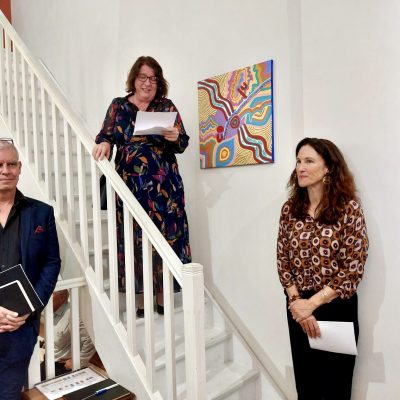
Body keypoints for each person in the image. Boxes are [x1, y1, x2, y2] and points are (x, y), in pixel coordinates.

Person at [92, 56, 191, 317]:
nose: (148, 83)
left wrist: (175, 136)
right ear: (134, 79)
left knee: (165, 239)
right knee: (133, 240)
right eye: (143, 77)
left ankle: (162, 296)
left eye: (154, 79)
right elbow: (106, 135)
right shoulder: (119, 106)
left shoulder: (166, 106)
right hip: (130, 186)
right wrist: (104, 144)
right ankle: (140, 301)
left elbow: (182, 143)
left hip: (164, 186)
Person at [276, 137, 369, 400]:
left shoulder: (347, 208)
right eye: (298, 161)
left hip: (336, 306)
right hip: (297, 308)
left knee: (335, 388)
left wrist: (312, 303)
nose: (300, 167)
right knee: (307, 387)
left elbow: (354, 265)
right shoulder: (289, 210)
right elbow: (282, 260)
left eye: (308, 161)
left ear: (328, 167)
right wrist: (298, 303)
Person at [0, 138, 61, 399]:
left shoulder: (41, 213)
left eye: (11, 164)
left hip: (20, 326)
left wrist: (30, 307)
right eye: (0, 164)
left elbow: (51, 263)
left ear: (20, 167)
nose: (5, 170)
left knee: (9, 393)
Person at [41, 290, 96, 378]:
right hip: (48, 358)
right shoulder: (48, 310)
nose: (46, 299)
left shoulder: (73, 315)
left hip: (61, 366)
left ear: (61, 298)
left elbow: (90, 341)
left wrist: (78, 361)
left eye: (51, 296)